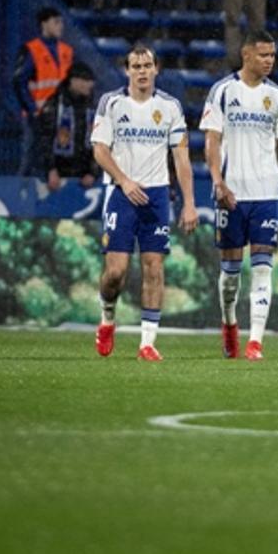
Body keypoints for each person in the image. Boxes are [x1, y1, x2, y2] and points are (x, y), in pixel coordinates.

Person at [91, 44, 199, 361]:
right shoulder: (111, 103)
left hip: (155, 195)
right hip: (121, 193)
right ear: (127, 71)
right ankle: (107, 317)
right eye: (135, 66)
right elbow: (99, 150)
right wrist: (124, 180)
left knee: (154, 267)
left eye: (146, 65)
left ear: (155, 69)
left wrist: (189, 202)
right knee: (115, 273)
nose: (141, 71)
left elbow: (181, 158)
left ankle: (147, 343)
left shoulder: (170, 107)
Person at [201, 31, 278, 360]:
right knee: (230, 275)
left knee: (262, 267)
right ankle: (229, 322)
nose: (270, 60)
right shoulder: (223, 92)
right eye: (263, 55)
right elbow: (212, 141)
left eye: (272, 55)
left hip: (266, 192)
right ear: (246, 55)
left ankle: (255, 341)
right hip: (232, 192)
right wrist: (218, 181)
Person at [13, 7, 73, 176]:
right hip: (39, 116)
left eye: (61, 22)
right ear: (44, 24)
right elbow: (19, 82)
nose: (61, 26)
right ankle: (22, 193)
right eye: (56, 22)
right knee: (33, 157)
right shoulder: (32, 50)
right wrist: (33, 110)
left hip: (62, 115)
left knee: (60, 158)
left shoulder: (67, 51)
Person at [34, 61, 98, 190]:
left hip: (85, 177)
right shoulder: (54, 105)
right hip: (57, 174)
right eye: (86, 80)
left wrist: (93, 172)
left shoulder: (93, 106)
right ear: (74, 81)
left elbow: (101, 143)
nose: (90, 84)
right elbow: (45, 140)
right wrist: (51, 170)